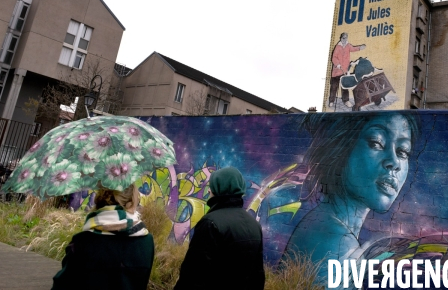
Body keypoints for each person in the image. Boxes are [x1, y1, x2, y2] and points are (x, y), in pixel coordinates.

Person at [283, 112, 420, 276]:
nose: (394, 162)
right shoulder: (337, 244)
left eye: (403, 151)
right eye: (376, 142)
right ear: (343, 149)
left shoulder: (326, 225)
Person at [174, 166, 265, 290]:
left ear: (216, 189)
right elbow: (258, 275)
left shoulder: (210, 223)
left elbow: (193, 274)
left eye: (211, 187)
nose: (209, 191)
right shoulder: (254, 224)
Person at [52, 184, 154, 290]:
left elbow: (61, 285)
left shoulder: (82, 242)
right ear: (132, 202)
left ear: (99, 200)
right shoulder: (147, 242)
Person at [329, 33, 366, 108]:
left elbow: (353, 48)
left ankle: (346, 100)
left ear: (347, 38)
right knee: (334, 87)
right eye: (343, 38)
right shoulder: (338, 47)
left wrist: (360, 48)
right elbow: (333, 58)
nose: (344, 39)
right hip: (336, 71)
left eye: (345, 38)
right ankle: (331, 101)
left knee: (345, 86)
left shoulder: (348, 45)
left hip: (344, 71)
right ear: (341, 38)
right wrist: (338, 64)